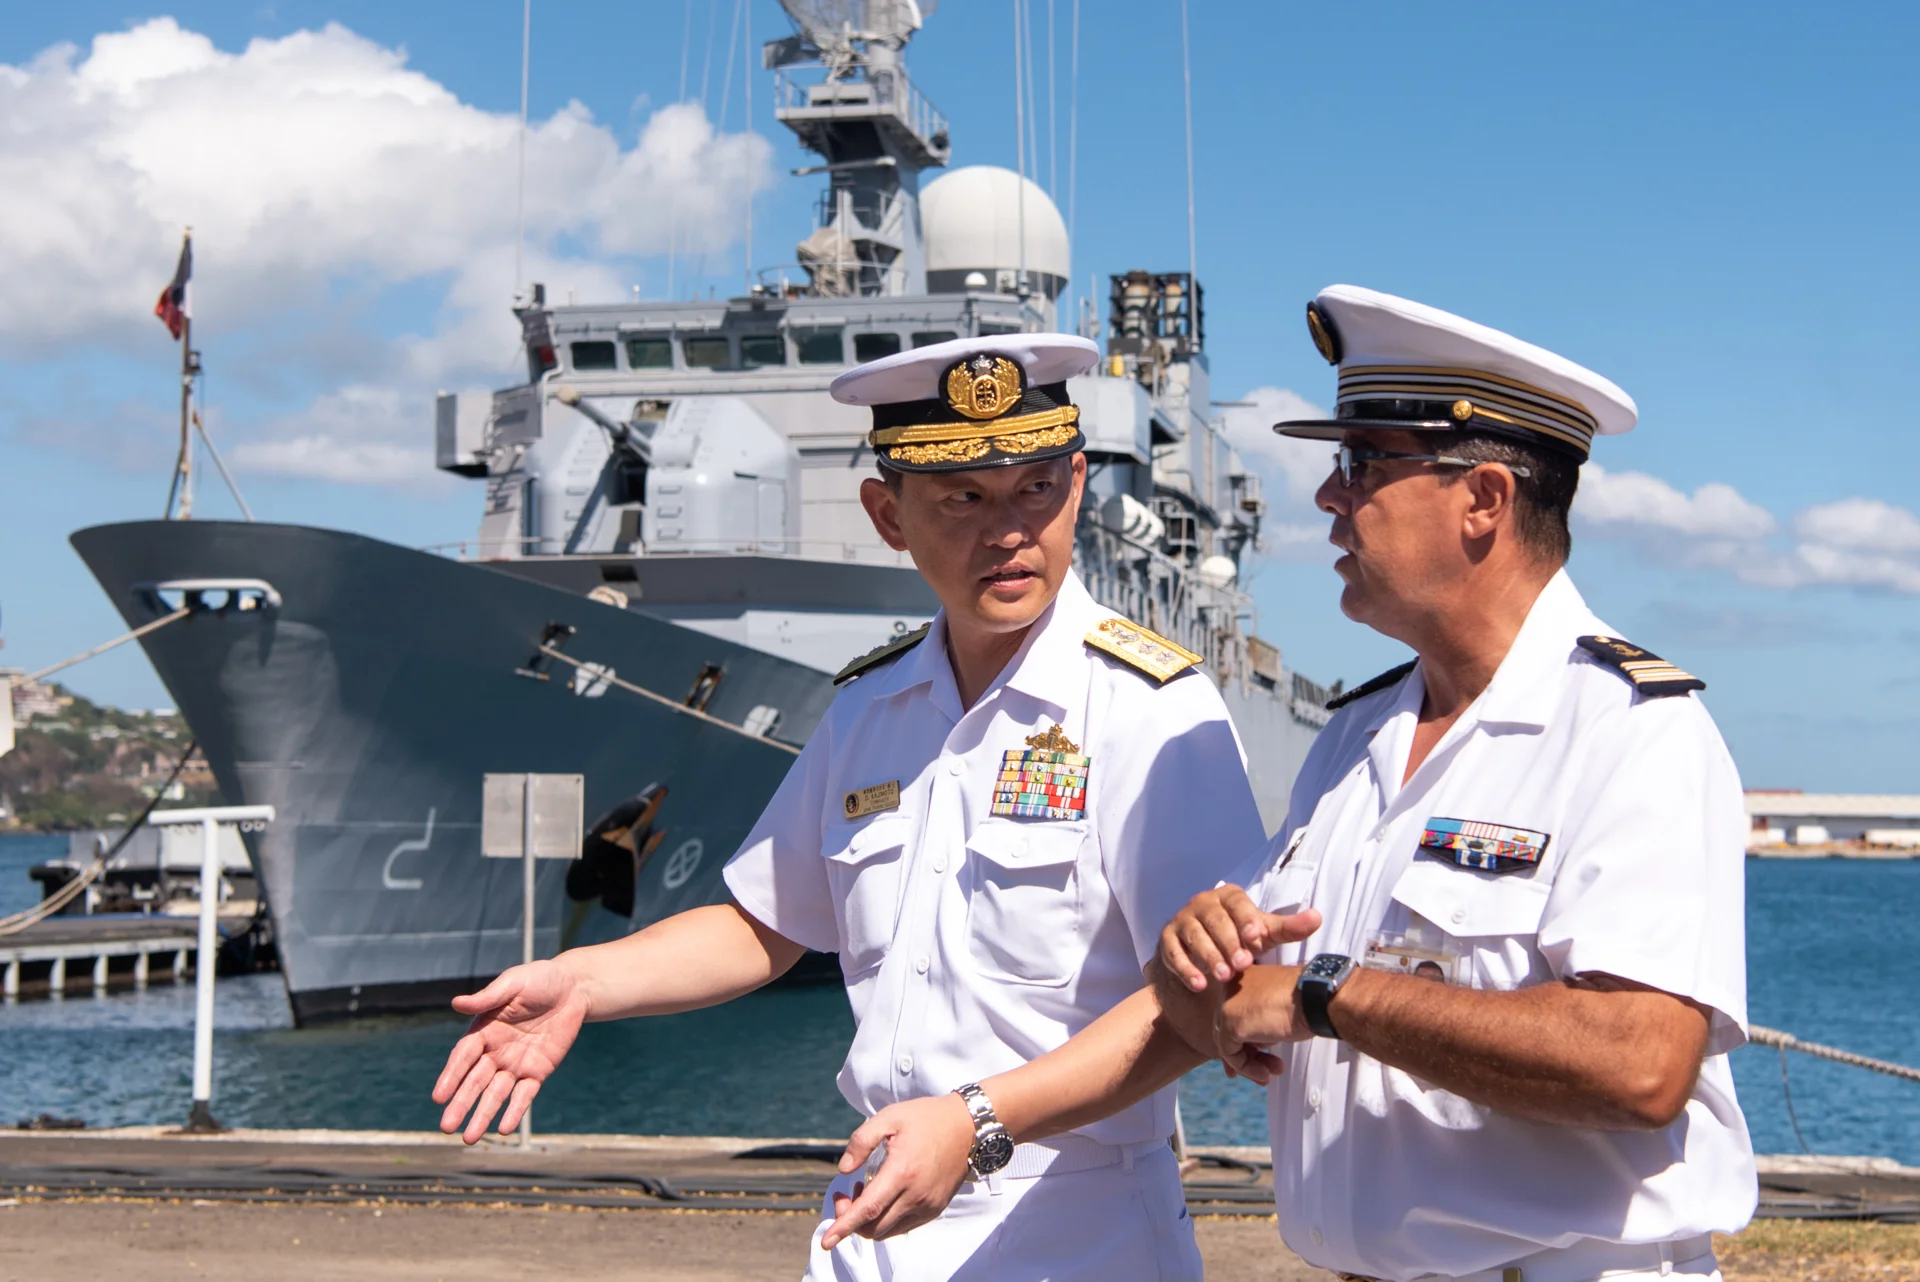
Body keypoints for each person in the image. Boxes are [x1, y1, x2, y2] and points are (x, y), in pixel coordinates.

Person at [823, 286, 1758, 1282]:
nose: (1327, 496)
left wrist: (1326, 991)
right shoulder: (1355, 740)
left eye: (1363, 463)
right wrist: (1198, 954)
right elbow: (1227, 1006)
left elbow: (1642, 1060)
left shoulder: (1631, 730)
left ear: (1483, 500)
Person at [430, 332, 1275, 1281]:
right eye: (963, 497)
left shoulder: (1149, 707)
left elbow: (1209, 998)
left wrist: (976, 1121)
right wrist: (583, 981)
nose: (1007, 530)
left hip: (1079, 1223)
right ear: (888, 515)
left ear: (1077, 484)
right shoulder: (869, 709)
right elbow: (767, 925)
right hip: (876, 1216)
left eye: (1035, 486)